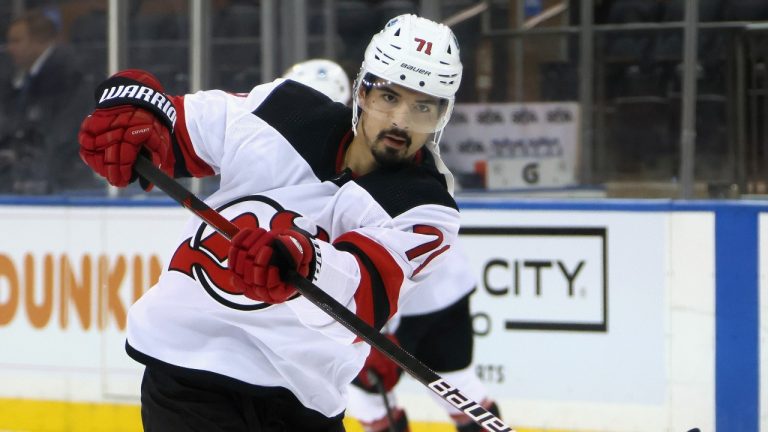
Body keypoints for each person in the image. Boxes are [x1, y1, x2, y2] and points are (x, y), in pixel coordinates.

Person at [78, 14, 462, 432]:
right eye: (390, 97)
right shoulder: (285, 109)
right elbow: (181, 127)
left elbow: (362, 291)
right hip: (192, 373)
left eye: (422, 107)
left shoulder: (425, 207)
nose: (401, 122)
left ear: (442, 115)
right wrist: (136, 114)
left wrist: (300, 258)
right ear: (363, 90)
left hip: (302, 402)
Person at [282, 58, 502, 432]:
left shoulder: (388, 157)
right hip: (392, 303)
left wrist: (381, 334)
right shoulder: (301, 163)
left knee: (456, 390)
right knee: (372, 403)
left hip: (429, 296)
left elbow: (398, 251)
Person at [0, 9, 94, 194]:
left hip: (63, 181)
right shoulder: (25, 77)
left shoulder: (66, 76)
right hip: (42, 178)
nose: (9, 48)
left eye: (17, 41)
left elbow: (61, 131)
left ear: (39, 40)